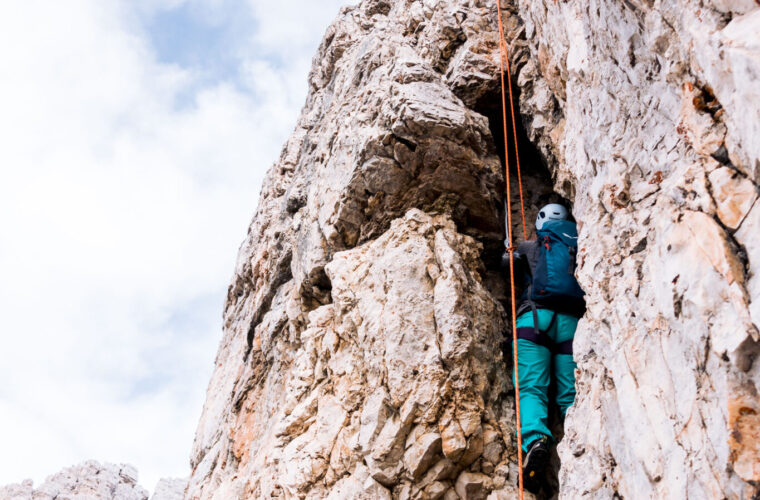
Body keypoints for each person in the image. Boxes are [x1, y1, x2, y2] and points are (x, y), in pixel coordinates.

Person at [504, 202, 586, 494]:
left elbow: (506, 266)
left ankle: (536, 441)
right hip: (571, 325)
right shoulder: (575, 244)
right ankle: (583, 439)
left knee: (532, 386)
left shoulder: (529, 246)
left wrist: (509, 252)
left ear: (540, 222)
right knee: (569, 393)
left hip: (535, 321)